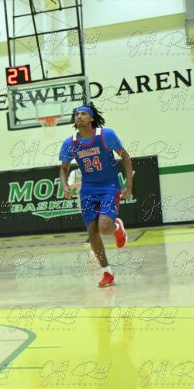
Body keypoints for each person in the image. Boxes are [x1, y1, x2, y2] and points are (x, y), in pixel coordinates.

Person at [59, 103, 131, 288]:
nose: (79, 116)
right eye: (76, 114)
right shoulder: (70, 143)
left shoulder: (106, 135)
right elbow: (64, 169)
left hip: (109, 187)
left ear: (91, 118)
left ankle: (117, 227)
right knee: (92, 230)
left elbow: (126, 157)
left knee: (104, 228)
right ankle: (107, 272)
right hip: (88, 190)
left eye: (83, 114)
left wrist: (128, 186)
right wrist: (65, 186)